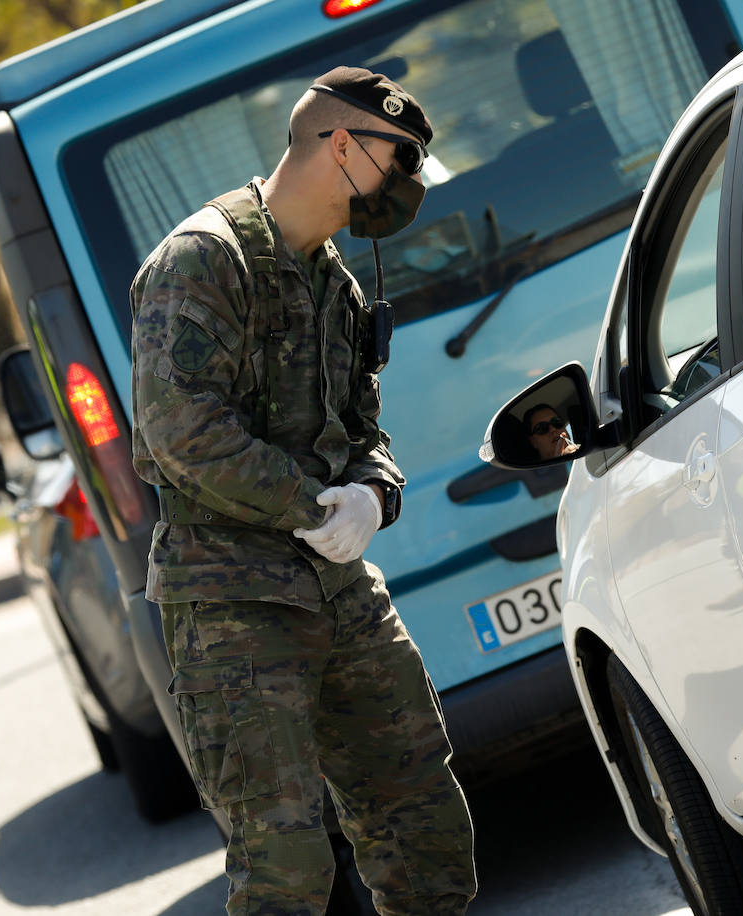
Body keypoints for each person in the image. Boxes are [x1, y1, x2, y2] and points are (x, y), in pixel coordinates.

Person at [130, 67, 477, 914]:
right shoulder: (202, 261)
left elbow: (364, 430)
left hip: (336, 587)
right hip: (231, 604)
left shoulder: (335, 281)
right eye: (402, 160)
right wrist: (313, 505)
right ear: (344, 144)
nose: (410, 185)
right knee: (285, 869)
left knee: (423, 824)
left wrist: (372, 494)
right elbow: (181, 432)